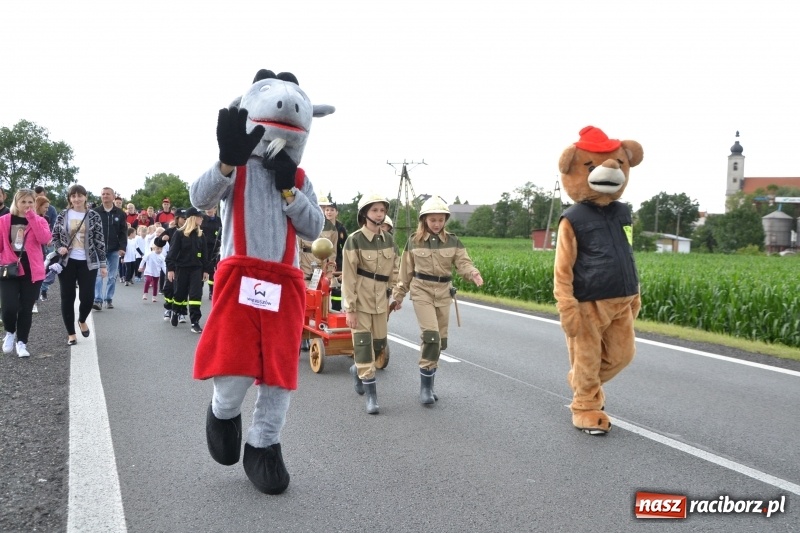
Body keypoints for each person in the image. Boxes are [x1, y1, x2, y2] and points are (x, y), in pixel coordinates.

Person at [391, 196, 484, 405]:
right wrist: (397, 297)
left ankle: (430, 383)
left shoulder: (453, 241)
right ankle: (424, 389)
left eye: (441, 220)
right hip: (421, 290)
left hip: (443, 292)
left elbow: (463, 263)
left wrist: (473, 273)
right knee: (431, 336)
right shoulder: (413, 241)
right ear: (424, 220)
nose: (437, 224)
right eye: (432, 220)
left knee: (440, 341)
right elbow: (405, 273)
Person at [341, 193, 397, 414]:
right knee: (364, 348)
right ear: (365, 213)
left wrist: (394, 294)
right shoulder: (354, 240)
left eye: (382, 210)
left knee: (379, 345)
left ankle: (357, 369)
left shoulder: (389, 240)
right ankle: (372, 398)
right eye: (374, 210)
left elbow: (394, 268)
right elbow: (348, 277)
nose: (379, 214)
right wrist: (350, 309)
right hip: (361, 302)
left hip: (381, 302)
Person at [52, 184, 107, 346]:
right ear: (69, 198)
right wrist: (59, 247)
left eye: (79, 196)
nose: (76, 199)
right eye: (73, 196)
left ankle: (82, 319)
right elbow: (55, 235)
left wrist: (103, 264)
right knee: (67, 297)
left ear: (85, 197)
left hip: (87, 262)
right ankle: (71, 333)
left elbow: (99, 240)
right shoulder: (63, 215)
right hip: (67, 262)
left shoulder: (94, 216)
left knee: (88, 297)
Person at [0, 189, 52, 357]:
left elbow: (44, 239)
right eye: (23, 202)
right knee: (9, 307)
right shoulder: (4, 221)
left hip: (32, 269)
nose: (27, 205)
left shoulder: (40, 221)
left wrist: (32, 218)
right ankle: (10, 332)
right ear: (17, 202)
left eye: (30, 202)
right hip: (9, 268)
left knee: (25, 308)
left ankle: (22, 342)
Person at [166, 207, 209, 333]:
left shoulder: (201, 234)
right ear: (192, 218)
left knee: (196, 295)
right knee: (180, 294)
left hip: (197, 269)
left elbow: (205, 254)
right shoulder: (179, 234)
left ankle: (195, 322)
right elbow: (172, 253)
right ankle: (175, 311)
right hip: (182, 269)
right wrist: (170, 269)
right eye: (199, 216)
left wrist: (206, 270)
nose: (201, 218)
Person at [93, 187, 126, 310]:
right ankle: (97, 300)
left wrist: (123, 247)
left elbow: (123, 232)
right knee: (98, 275)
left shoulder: (120, 213)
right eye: (103, 194)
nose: (105, 196)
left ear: (113, 197)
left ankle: (109, 298)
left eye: (108, 194)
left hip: (114, 249)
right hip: (98, 248)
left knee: (112, 276)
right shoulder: (95, 212)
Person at [298, 197, 337, 285]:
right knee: (306, 295)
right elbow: (297, 249)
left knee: (322, 295)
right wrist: (298, 270)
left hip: (322, 267)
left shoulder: (332, 228)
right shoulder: (303, 224)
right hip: (305, 268)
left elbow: (333, 252)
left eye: (324, 207)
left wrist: (330, 271)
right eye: (320, 206)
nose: (322, 210)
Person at [154, 209, 185, 320]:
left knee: (182, 288)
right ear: (177, 219)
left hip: (185, 263)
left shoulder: (190, 230)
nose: (185, 220)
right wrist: (162, 239)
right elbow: (157, 242)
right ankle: (169, 308)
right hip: (172, 263)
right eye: (183, 218)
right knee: (169, 287)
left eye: (187, 218)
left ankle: (181, 311)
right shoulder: (171, 230)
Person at [200, 206, 222, 300]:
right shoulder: (202, 219)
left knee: (213, 271)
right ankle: (198, 290)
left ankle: (211, 291)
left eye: (211, 208)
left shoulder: (219, 220)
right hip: (203, 247)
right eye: (207, 208)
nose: (209, 210)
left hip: (215, 249)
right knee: (201, 269)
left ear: (215, 209)